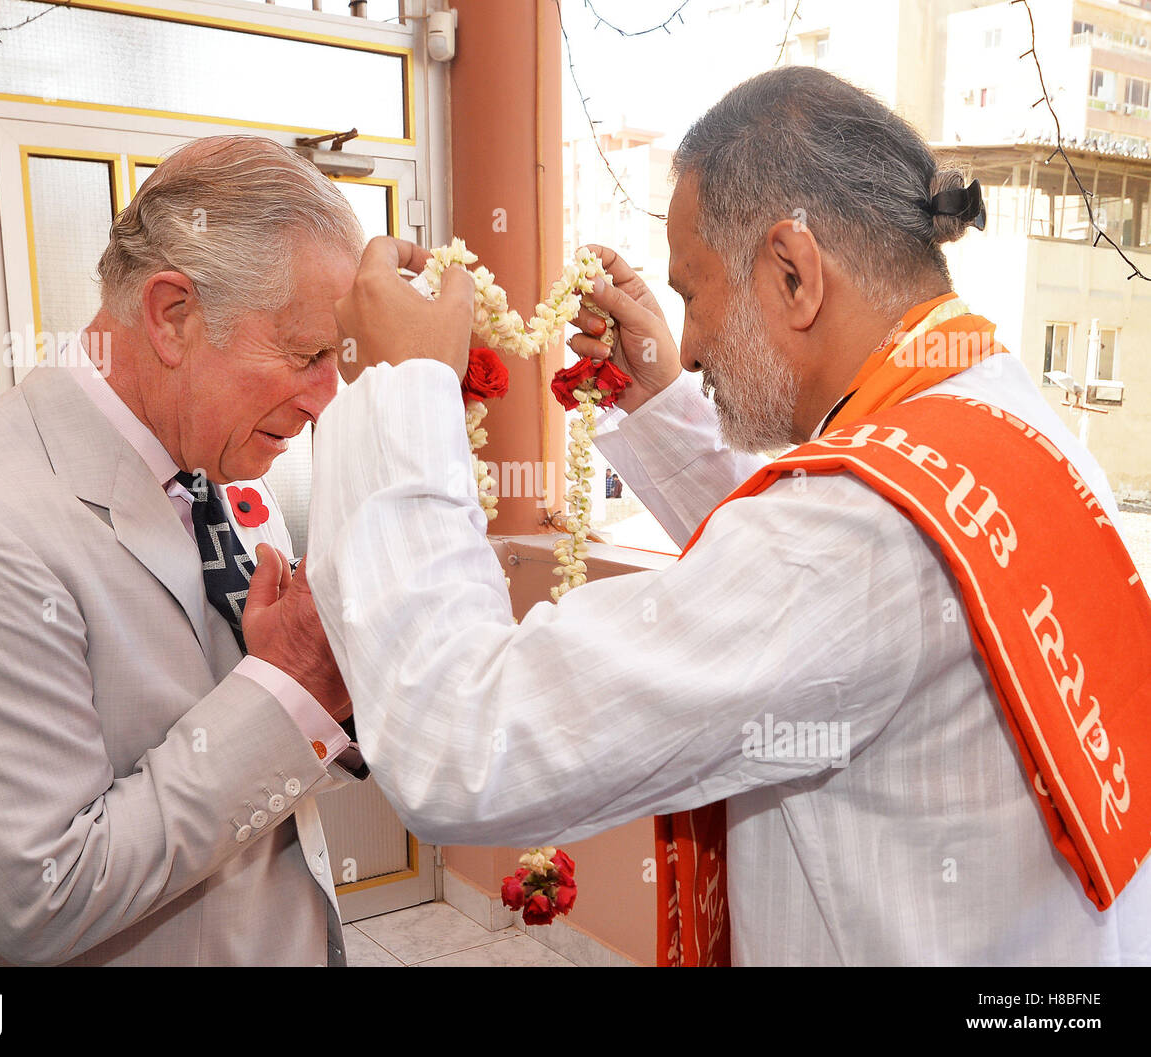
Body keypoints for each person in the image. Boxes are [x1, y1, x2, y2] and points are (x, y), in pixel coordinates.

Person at [301, 66, 1151, 965]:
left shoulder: (855, 531)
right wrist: (659, 401)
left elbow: (462, 743)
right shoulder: (997, 420)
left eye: (696, 295)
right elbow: (816, 607)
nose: (693, 342)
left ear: (794, 271)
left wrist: (404, 390)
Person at [0, 135, 365, 965]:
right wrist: (294, 685)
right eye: (306, 354)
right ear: (173, 315)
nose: (322, 397)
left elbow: (264, 744)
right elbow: (45, 894)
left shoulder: (230, 471)